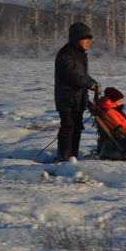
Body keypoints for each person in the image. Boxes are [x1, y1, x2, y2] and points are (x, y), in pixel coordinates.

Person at [53, 22, 100, 162]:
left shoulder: (81, 55)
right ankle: (63, 158)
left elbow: (83, 76)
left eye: (89, 38)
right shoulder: (66, 53)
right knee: (68, 127)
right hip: (67, 99)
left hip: (78, 99)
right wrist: (89, 83)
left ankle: (73, 158)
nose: (89, 41)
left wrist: (93, 83)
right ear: (76, 38)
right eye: (86, 38)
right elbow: (70, 75)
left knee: (77, 127)